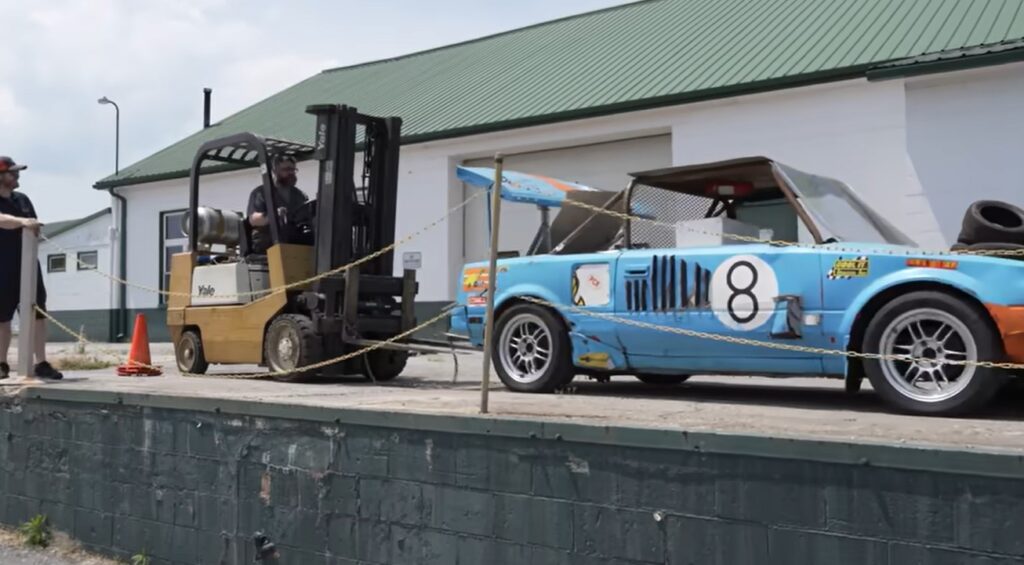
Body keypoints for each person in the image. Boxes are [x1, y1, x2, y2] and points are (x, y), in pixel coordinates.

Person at [0, 156, 62, 380]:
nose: (17, 176)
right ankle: (2, 364)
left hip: (27, 263)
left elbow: (33, 223)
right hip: (2, 266)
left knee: (37, 313)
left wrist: (28, 223)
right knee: (2, 318)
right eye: (12, 173)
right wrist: (21, 222)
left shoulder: (22, 200)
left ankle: (41, 362)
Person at [246, 154, 310, 254]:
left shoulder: (300, 195)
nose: (291, 173)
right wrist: (273, 215)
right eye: (286, 169)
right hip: (268, 240)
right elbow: (253, 220)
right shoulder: (261, 193)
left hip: (291, 238)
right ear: (274, 171)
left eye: (293, 170)